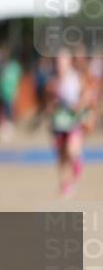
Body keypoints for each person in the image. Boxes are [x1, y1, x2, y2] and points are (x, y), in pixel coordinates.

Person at [48, 48, 91, 198]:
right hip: (58, 123)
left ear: (69, 61)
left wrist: (78, 106)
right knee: (61, 156)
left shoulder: (76, 78)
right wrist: (53, 104)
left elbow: (87, 96)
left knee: (72, 151)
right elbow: (49, 103)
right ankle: (64, 184)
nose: (60, 64)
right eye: (58, 61)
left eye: (63, 60)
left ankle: (77, 163)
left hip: (73, 121)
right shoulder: (54, 80)